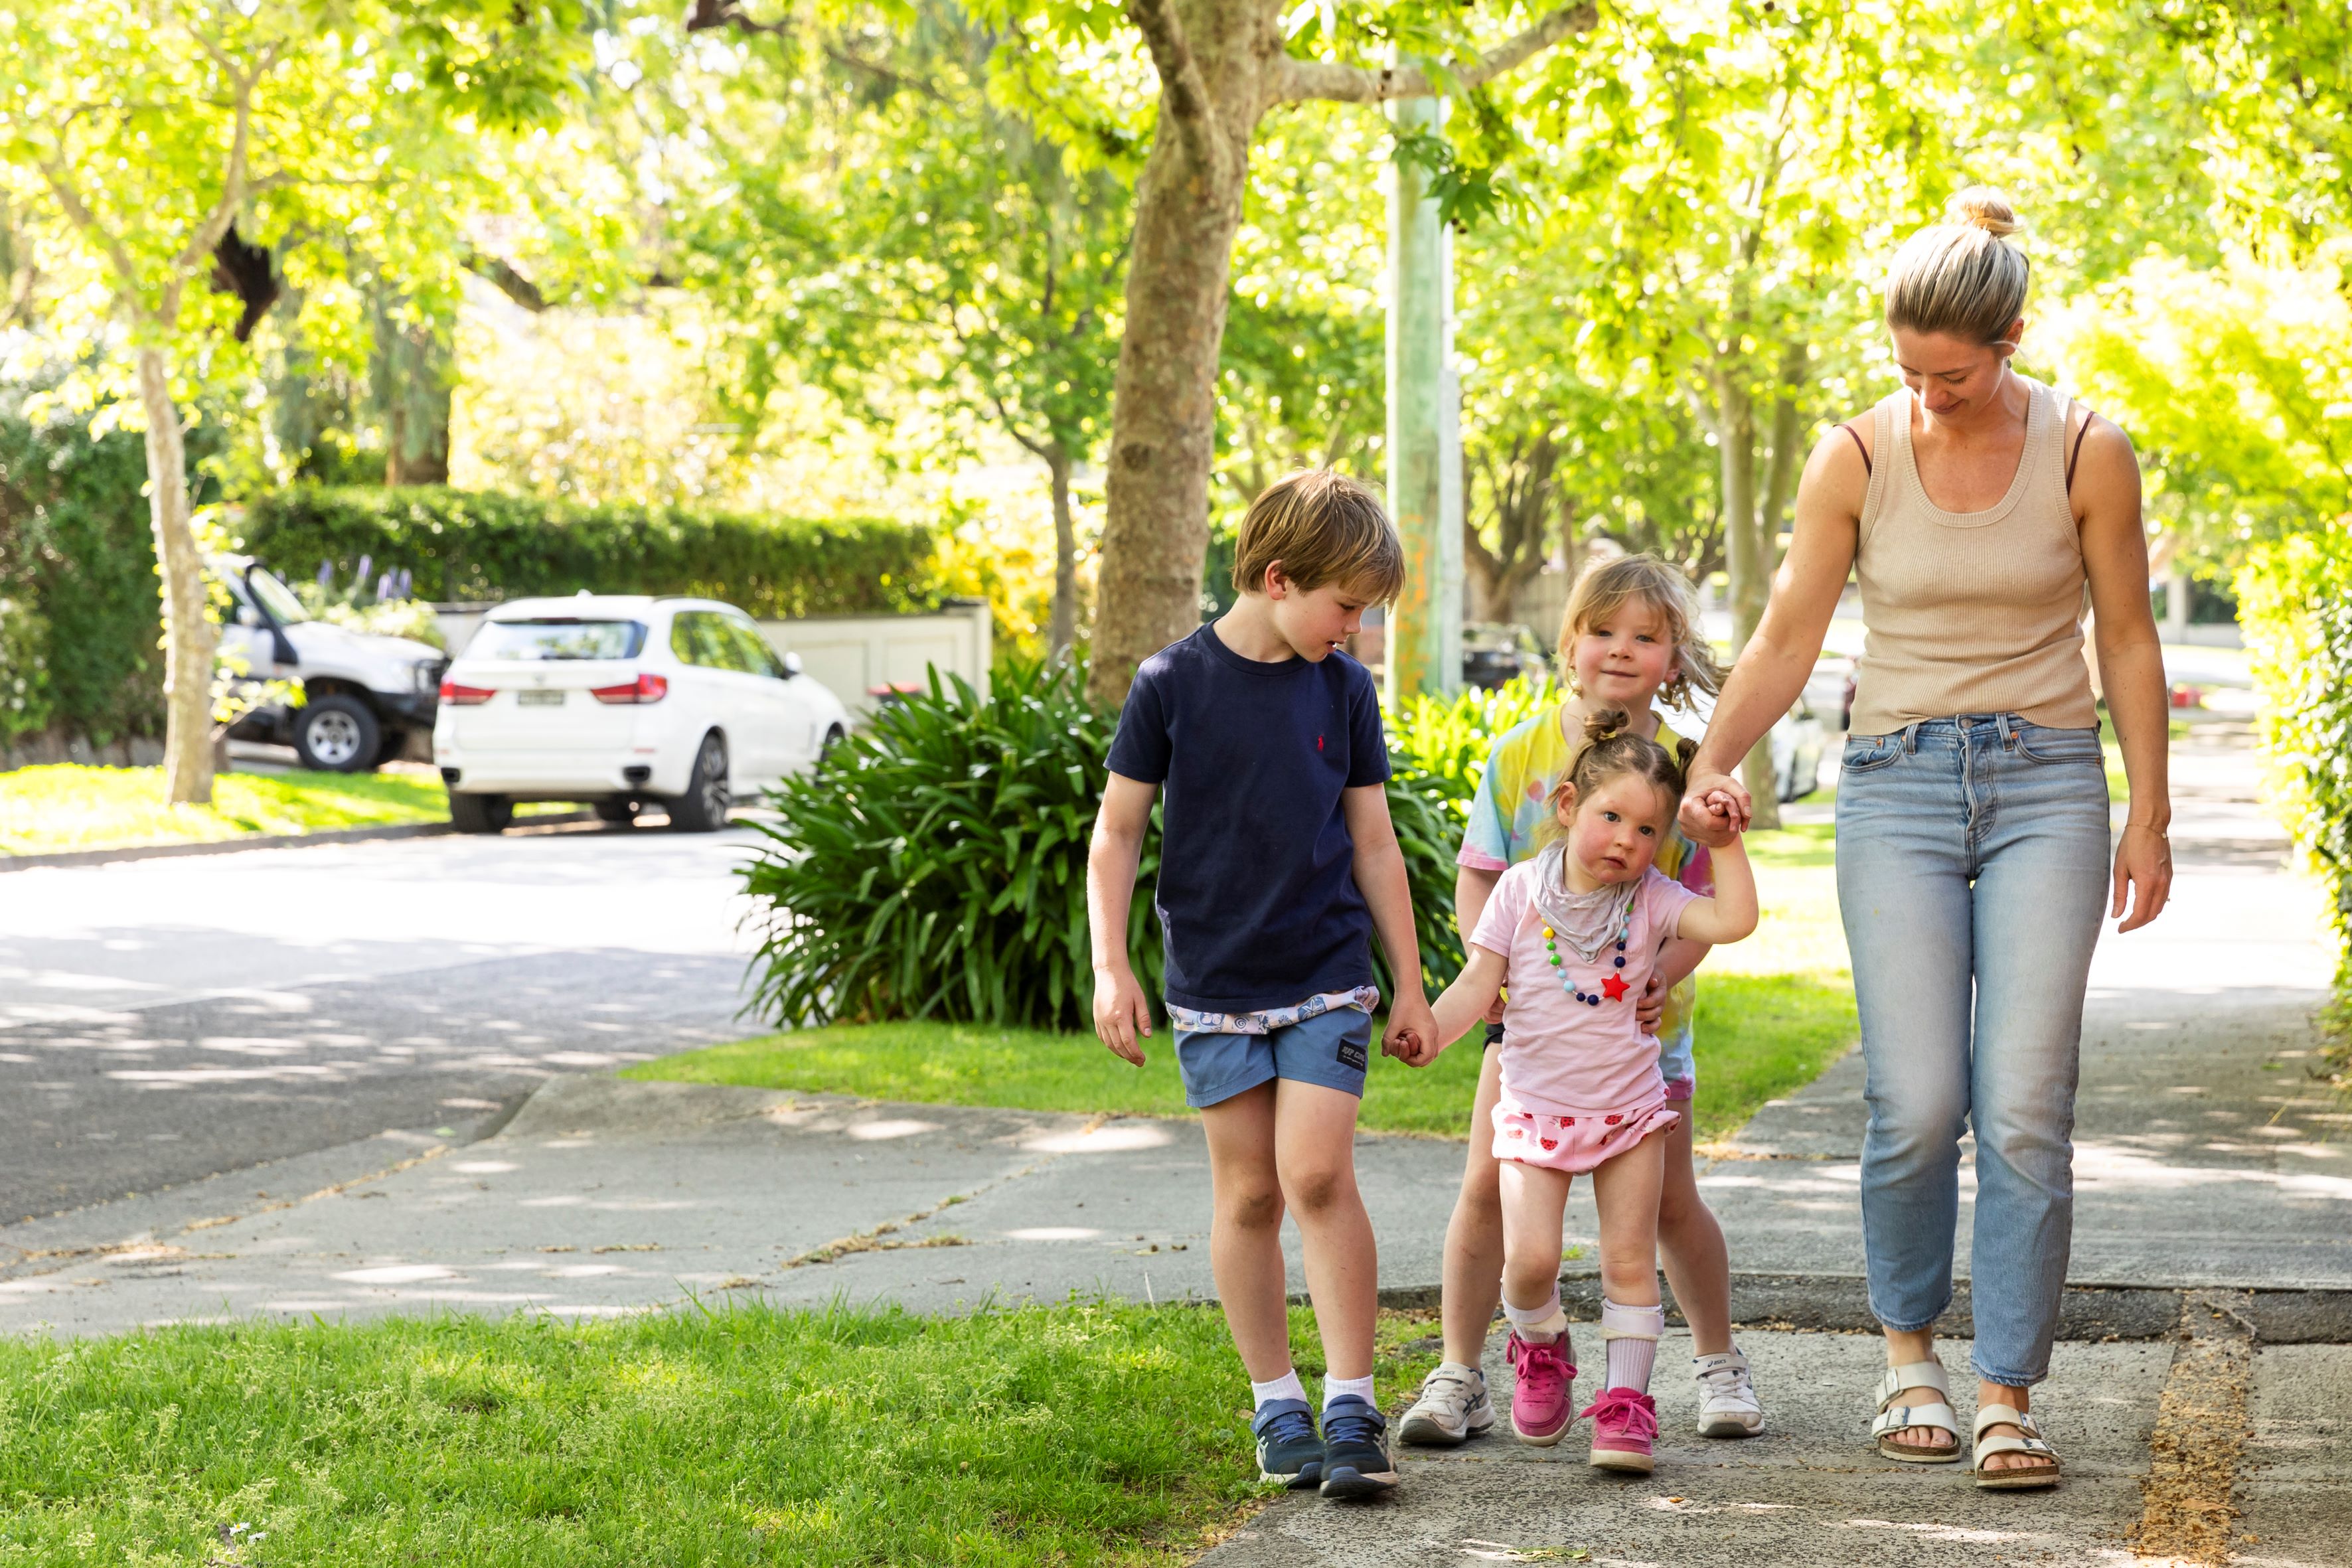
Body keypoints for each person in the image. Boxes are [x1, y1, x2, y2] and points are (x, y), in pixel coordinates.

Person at [1678, 188, 2173, 1490]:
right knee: (1915, 1101)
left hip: (2045, 783)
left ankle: (2006, 1385)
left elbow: (2124, 633)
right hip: (1892, 783)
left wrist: (2148, 811)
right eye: (1905, 370)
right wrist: (1710, 754)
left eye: (1948, 375)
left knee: (2021, 1102)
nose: (1926, 395)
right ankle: (1908, 1355)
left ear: (2011, 338)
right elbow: (1788, 631)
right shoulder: (1852, 451)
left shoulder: (2085, 449)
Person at [1087, 469, 1439, 1502]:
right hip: (1213, 984)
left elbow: (1374, 843)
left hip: (1327, 974)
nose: (1357, 630)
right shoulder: (1171, 683)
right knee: (1248, 1192)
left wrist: (1410, 983)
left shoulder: (1345, 689)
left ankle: (1351, 1402)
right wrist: (1114, 968)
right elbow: (1116, 835)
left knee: (1319, 1177)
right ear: (1279, 579)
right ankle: (1277, 1401)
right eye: (1348, 607)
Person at [1400, 555, 1768, 1448]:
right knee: (1487, 1194)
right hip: (1525, 1029)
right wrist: (1486, 992)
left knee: (1665, 1208)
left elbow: (1698, 911)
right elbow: (1478, 880)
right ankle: (1462, 1369)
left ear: (1674, 657)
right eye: (1603, 630)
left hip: (1641, 1038)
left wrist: (1660, 977)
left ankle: (1717, 1360)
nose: (1621, 649)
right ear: (1569, 642)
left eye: (1646, 636)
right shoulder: (1521, 751)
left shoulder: (1689, 768)